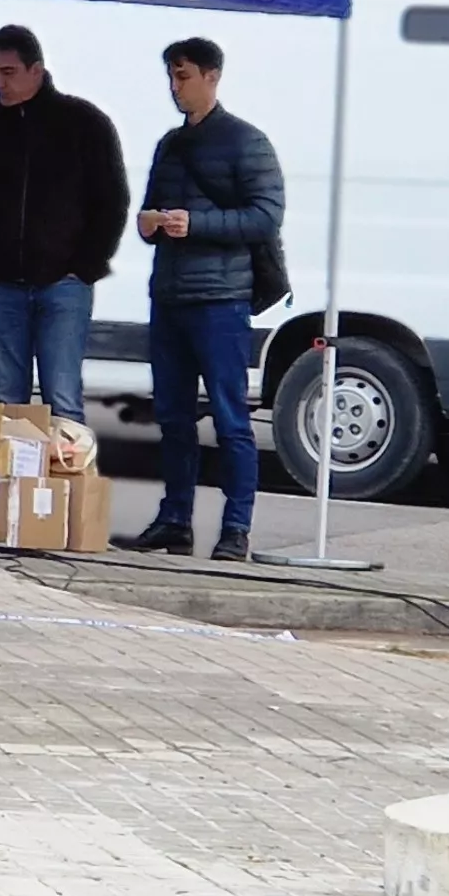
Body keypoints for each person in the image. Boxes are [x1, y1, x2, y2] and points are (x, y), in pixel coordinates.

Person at [123, 36, 286, 563]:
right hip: (170, 294)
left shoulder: (246, 141)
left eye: (184, 76)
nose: (176, 87)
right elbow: (149, 210)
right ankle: (175, 519)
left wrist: (195, 224)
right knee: (173, 417)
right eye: (171, 77)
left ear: (212, 76)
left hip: (221, 298)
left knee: (230, 418)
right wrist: (150, 223)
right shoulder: (170, 145)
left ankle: (236, 528)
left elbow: (265, 216)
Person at [0, 23, 129, 429]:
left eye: (8, 72)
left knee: (63, 397)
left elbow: (111, 200)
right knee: (7, 399)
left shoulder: (83, 122)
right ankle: (16, 473)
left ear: (36, 70)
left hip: (63, 281)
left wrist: (86, 264)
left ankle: (64, 471)